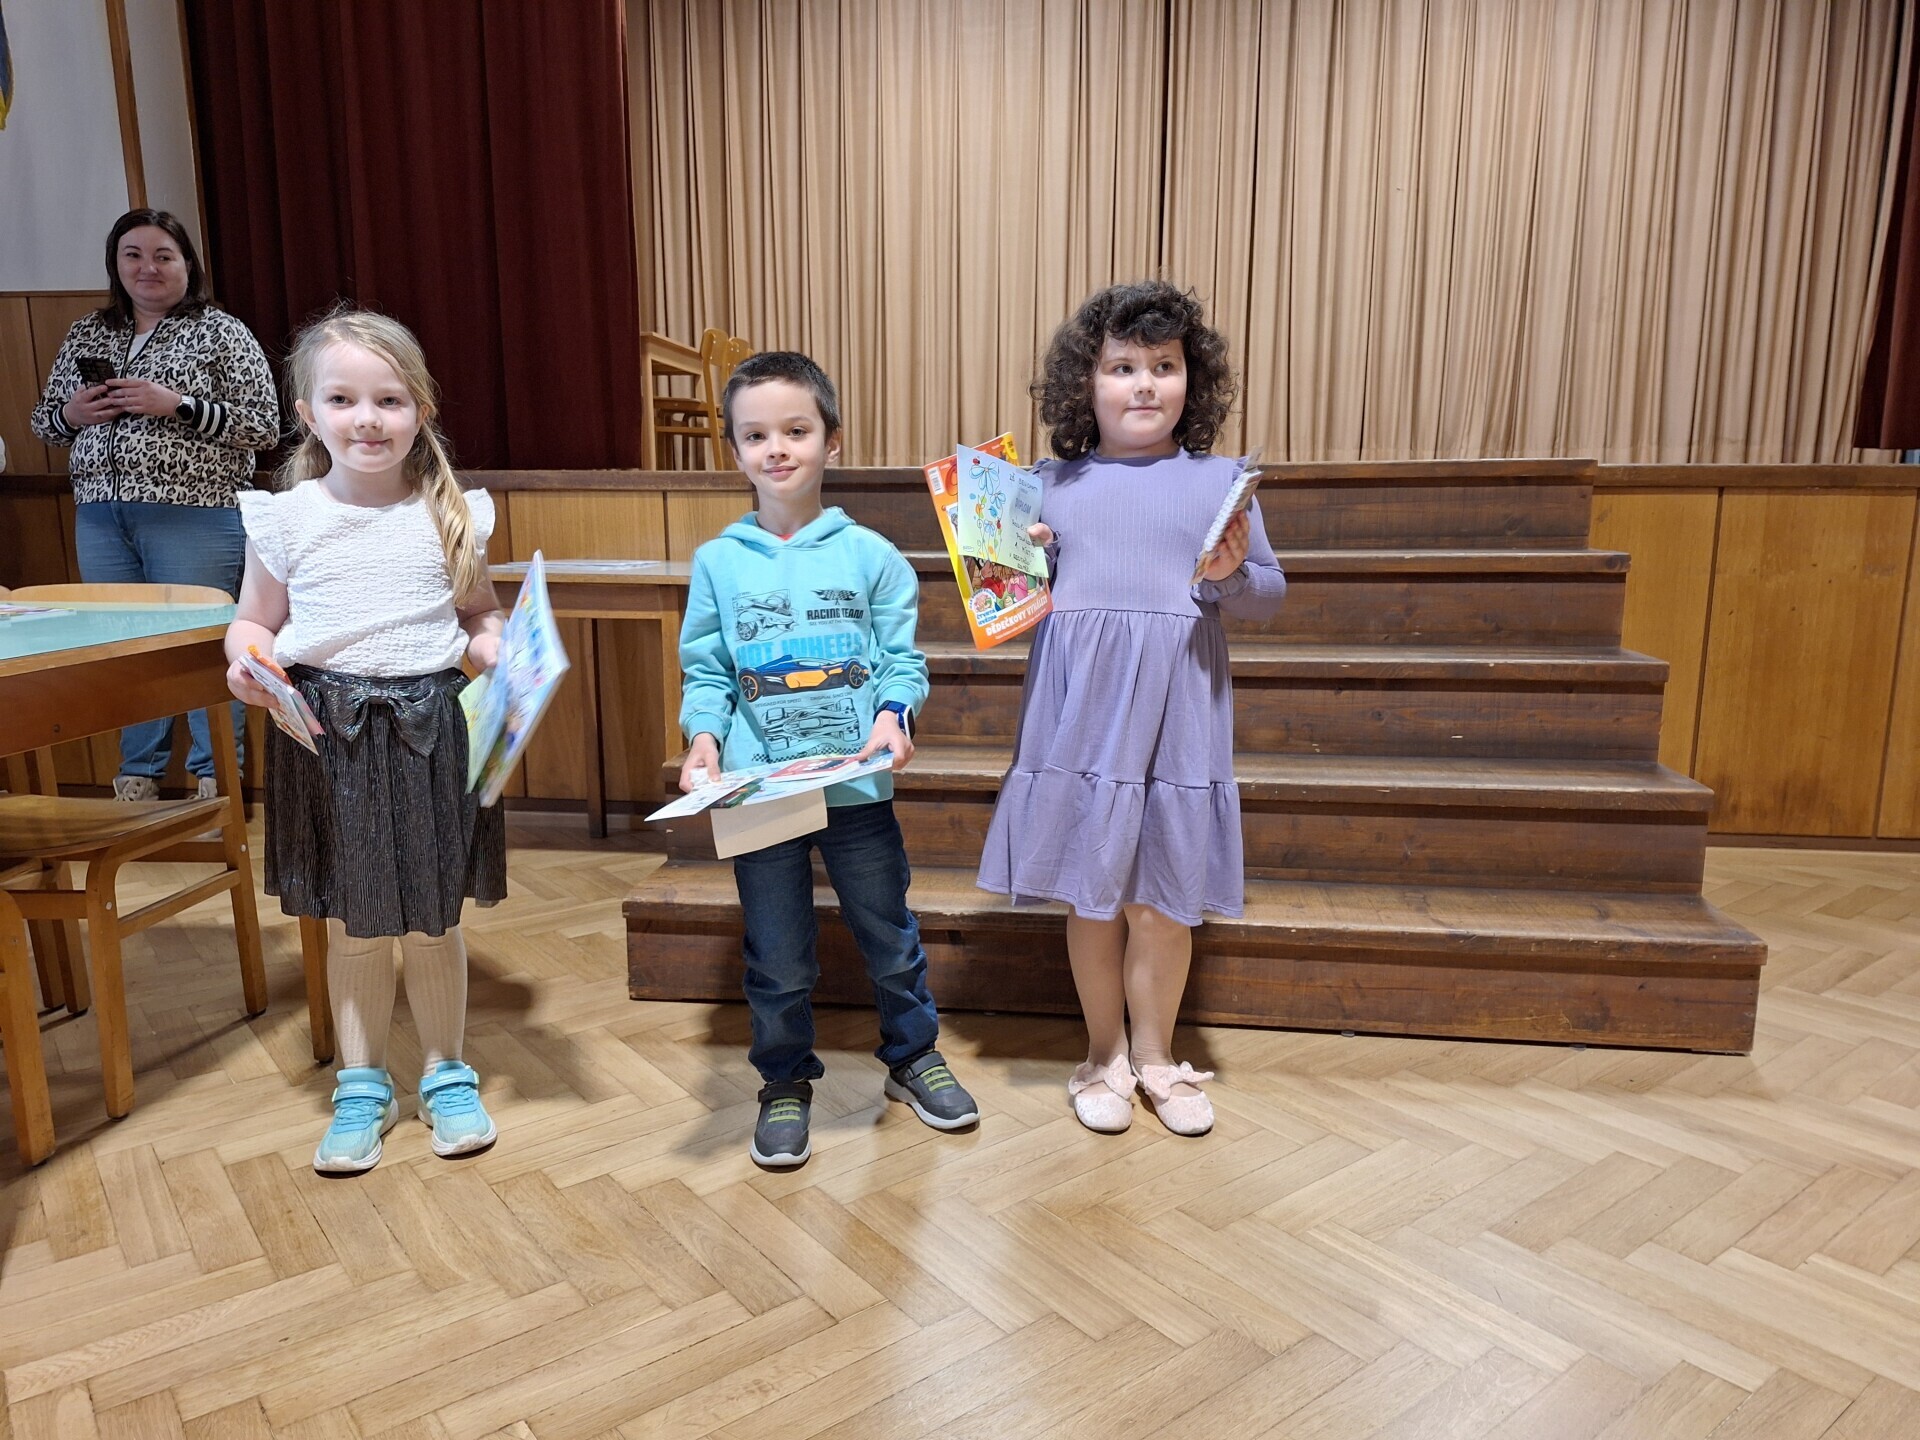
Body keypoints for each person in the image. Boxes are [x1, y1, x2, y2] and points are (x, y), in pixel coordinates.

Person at [977, 281, 1287, 1137]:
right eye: (1122, 366)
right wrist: (1022, 564)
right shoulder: (1046, 486)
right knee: (1093, 892)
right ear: (1086, 382)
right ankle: (1103, 1053)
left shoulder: (1221, 483)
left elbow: (1268, 593)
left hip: (1179, 711)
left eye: (1165, 365)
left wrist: (1229, 573)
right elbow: (1004, 610)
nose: (1145, 383)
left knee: (1163, 898)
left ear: (1193, 381)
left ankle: (1156, 1056)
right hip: (1081, 715)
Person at [678, 350, 979, 1168]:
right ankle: (783, 1081)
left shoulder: (873, 556)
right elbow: (706, 673)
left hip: (858, 789)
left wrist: (892, 716)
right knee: (776, 954)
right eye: (755, 435)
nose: (776, 448)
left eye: (796, 430)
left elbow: (901, 663)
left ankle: (913, 1057)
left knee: (889, 934)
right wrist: (703, 737)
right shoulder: (717, 562)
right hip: (759, 793)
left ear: (832, 440)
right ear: (735, 450)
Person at [224, 308, 506, 1174]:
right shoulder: (286, 518)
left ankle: (447, 1074)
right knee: (354, 925)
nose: (367, 419)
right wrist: (247, 661)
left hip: (432, 731)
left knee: (432, 922)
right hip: (327, 736)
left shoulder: (452, 515)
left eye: (389, 399)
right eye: (342, 399)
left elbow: (479, 615)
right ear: (307, 413)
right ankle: (362, 1084)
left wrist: (497, 649)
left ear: (420, 409)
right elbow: (252, 622)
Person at [30, 208, 278, 801]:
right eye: (133, 255)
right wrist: (73, 414)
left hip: (194, 511)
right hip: (101, 515)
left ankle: (216, 781)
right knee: (125, 648)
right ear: (116, 266)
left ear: (187, 265)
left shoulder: (221, 332)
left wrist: (179, 405)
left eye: (164, 256)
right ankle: (137, 778)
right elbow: (45, 423)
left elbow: (264, 424)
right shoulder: (89, 333)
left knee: (200, 645)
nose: (148, 267)